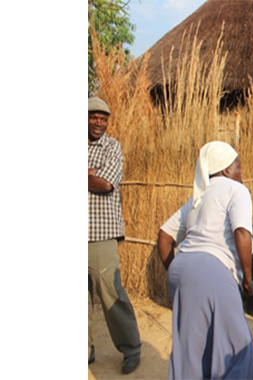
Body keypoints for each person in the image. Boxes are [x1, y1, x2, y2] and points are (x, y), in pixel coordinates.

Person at [156, 141, 253, 379]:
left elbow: (164, 236)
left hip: (183, 269)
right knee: (238, 351)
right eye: (238, 166)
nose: (241, 173)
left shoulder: (197, 198)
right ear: (225, 170)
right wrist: (248, 280)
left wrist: (179, 273)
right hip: (213, 270)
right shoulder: (236, 190)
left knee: (191, 351)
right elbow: (242, 233)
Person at [88, 97, 142, 374]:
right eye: (93, 117)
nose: (99, 123)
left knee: (109, 291)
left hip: (100, 232)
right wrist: (88, 174)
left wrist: (94, 177)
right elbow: (92, 179)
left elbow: (105, 183)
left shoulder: (112, 147)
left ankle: (131, 347)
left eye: (103, 118)